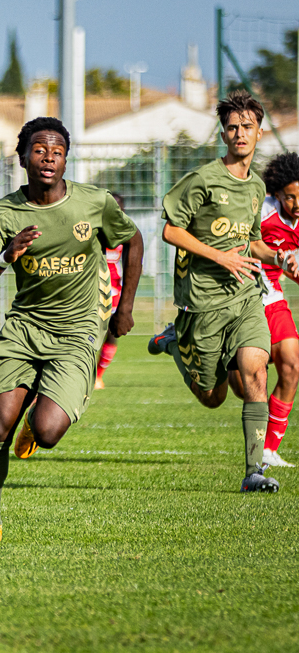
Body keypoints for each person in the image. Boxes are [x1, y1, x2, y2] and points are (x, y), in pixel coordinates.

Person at [0, 117, 142, 545]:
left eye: (57, 151)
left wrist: (125, 308)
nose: (48, 158)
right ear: (22, 156)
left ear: (66, 158)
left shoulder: (94, 203)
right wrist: (6, 257)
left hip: (77, 331)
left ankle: (37, 419)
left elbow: (133, 241)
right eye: (40, 150)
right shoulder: (3, 213)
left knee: (46, 432)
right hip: (25, 329)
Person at [147, 90, 287, 493]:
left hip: (245, 297)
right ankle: (175, 342)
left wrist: (278, 258)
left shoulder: (258, 186)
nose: (239, 133)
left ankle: (254, 471)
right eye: (231, 127)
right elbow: (171, 230)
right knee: (212, 397)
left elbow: (253, 242)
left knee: (256, 369)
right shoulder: (204, 180)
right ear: (223, 135)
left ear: (259, 132)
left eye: (247, 126)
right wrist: (219, 257)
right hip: (202, 303)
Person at [255, 152, 299, 467]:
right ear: (277, 193)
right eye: (290, 197)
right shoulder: (263, 210)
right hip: (242, 291)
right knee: (237, 385)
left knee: (292, 364)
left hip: (271, 293)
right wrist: (278, 256)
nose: (296, 203)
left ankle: (268, 451)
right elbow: (245, 244)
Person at [94, 192, 128, 390]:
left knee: (111, 334)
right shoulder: (94, 231)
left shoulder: (127, 233)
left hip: (114, 290)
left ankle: (98, 376)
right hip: (93, 289)